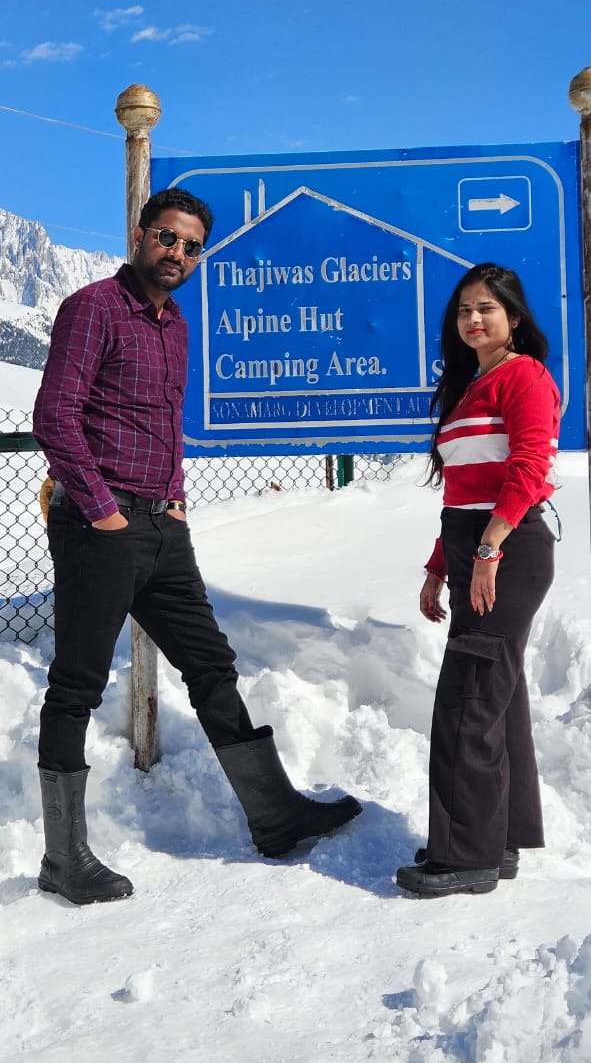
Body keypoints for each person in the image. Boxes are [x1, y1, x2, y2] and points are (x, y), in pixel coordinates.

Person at [33, 187, 361, 906]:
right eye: (165, 237)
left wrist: (174, 499)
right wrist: (102, 513)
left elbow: (165, 420)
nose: (176, 253)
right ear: (139, 234)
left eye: (189, 245)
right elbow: (55, 417)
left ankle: (274, 816)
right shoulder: (93, 308)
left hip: (161, 527)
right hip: (103, 525)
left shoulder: (174, 323)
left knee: (211, 665)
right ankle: (63, 859)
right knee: (77, 686)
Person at [396, 263, 560, 898]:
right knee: (497, 694)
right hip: (474, 544)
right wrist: (442, 567)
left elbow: (527, 468)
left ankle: (466, 856)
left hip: (509, 548)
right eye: (464, 309)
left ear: (513, 318)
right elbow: (463, 492)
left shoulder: (524, 377)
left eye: (487, 308)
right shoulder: (470, 386)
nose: (473, 319)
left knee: (467, 698)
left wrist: (489, 551)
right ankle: (498, 838)